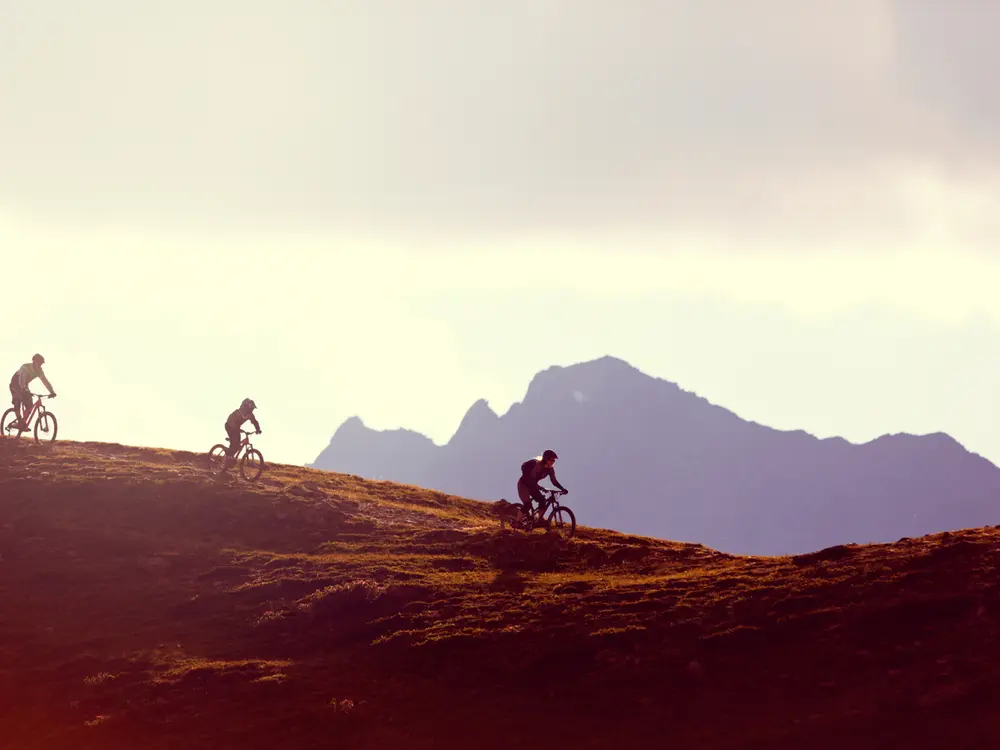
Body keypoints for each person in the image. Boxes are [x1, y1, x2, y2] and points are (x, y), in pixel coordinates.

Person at [517, 449, 568, 522]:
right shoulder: (538, 465)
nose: (552, 462)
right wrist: (540, 488)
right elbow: (531, 480)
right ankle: (516, 522)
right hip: (523, 485)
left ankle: (539, 519)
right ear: (546, 459)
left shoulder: (550, 469)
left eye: (554, 461)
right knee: (528, 505)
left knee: (542, 501)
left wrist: (562, 489)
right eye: (551, 460)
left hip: (532, 485)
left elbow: (554, 481)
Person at [9, 354, 56, 429]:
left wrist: (52, 391)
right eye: (39, 363)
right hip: (15, 384)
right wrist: (25, 390)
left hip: (24, 385)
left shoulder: (39, 371)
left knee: (30, 405)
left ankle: (23, 423)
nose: (40, 365)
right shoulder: (25, 368)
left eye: (41, 364)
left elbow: (45, 381)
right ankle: (20, 423)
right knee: (18, 400)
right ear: (34, 362)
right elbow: (21, 381)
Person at [223, 398, 261, 470]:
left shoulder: (250, 415)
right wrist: (236, 429)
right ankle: (228, 456)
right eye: (251, 408)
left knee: (237, 444)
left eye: (253, 409)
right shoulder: (238, 412)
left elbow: (255, 422)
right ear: (247, 407)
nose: (252, 410)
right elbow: (230, 420)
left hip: (236, 428)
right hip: (229, 426)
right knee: (235, 442)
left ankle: (230, 458)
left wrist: (258, 429)